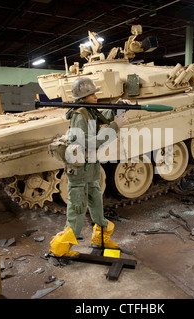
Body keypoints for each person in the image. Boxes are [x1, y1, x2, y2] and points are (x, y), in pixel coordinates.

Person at [49, 77, 128, 257]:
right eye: (92, 94)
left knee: (97, 205)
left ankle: (100, 239)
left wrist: (120, 108)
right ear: (82, 97)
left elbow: (103, 117)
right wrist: (115, 127)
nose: (95, 96)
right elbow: (86, 142)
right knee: (76, 211)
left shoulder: (90, 112)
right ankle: (60, 249)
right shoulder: (79, 115)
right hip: (79, 170)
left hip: (90, 168)